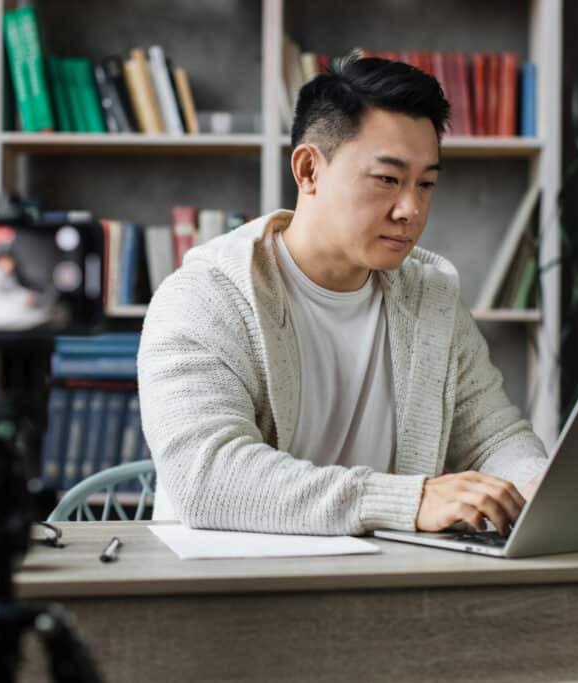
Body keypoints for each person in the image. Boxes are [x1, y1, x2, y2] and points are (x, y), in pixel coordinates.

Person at [137, 56, 548, 536]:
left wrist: (538, 485)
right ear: (309, 169)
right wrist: (408, 500)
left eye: (427, 184)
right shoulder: (205, 297)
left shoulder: (431, 296)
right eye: (388, 180)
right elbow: (206, 478)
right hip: (230, 586)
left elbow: (491, 437)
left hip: (387, 583)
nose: (410, 209)